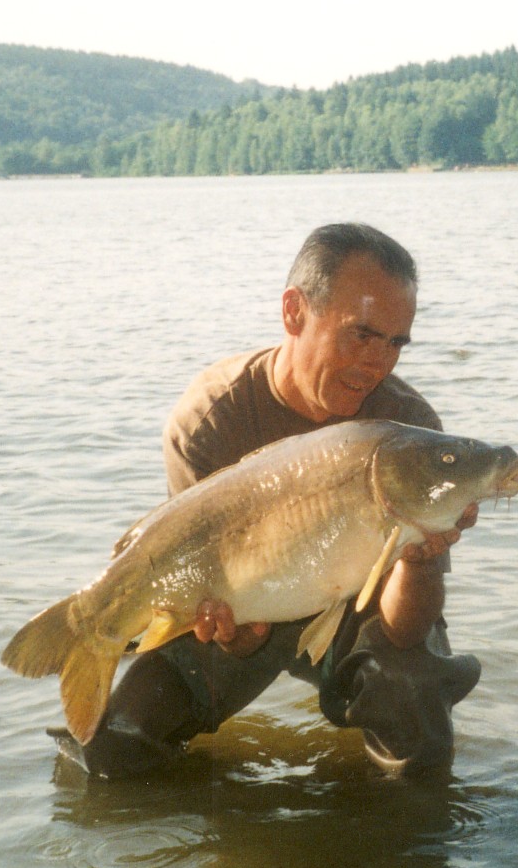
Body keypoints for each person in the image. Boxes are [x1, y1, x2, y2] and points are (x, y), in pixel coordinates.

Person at [70, 223, 483, 779]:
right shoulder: (209, 419)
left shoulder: (407, 433)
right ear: (294, 312)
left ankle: (395, 850)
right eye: (360, 334)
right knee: (114, 750)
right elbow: (207, 599)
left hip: (353, 610)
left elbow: (404, 631)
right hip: (243, 602)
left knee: (414, 704)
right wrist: (233, 631)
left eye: (395, 342)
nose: (378, 362)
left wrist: (423, 559)